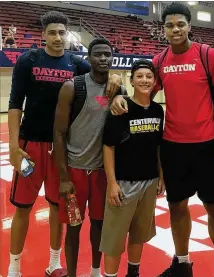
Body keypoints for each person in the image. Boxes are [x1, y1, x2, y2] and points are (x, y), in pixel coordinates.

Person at [110, 2, 214, 277]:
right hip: (174, 145)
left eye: (180, 24)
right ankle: (182, 262)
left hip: (208, 144)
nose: (175, 29)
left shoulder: (207, 55)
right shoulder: (160, 61)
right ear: (163, 28)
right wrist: (119, 93)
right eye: (169, 25)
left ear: (189, 26)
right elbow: (143, 95)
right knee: (177, 206)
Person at [7, 11, 121, 277]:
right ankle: (14, 268)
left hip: (61, 151)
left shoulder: (76, 64)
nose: (58, 38)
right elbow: (14, 105)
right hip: (29, 147)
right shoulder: (28, 60)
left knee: (59, 207)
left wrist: (116, 77)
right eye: (52, 33)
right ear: (43, 34)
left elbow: (100, 75)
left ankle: (54, 263)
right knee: (23, 206)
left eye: (62, 33)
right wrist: (14, 146)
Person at [53, 38, 122, 277]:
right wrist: (63, 177)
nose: (103, 59)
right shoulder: (73, 87)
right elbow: (59, 134)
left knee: (99, 225)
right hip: (75, 170)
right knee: (73, 227)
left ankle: (94, 272)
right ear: (89, 58)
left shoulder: (118, 89)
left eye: (107, 55)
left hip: (103, 172)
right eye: (98, 55)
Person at [99, 59, 165, 277]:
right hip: (124, 183)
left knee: (139, 234)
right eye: (140, 76)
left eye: (149, 76)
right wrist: (112, 183)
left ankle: (133, 273)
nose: (145, 80)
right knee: (114, 239)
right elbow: (108, 147)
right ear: (132, 80)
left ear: (155, 81)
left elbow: (157, 147)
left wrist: (161, 176)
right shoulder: (121, 108)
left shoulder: (157, 110)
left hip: (149, 181)